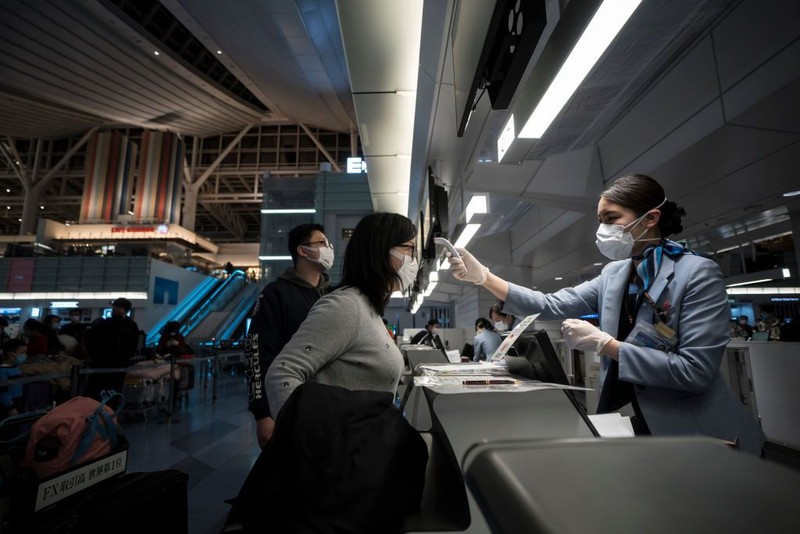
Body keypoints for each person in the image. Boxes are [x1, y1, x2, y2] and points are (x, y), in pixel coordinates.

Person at [447, 173, 764, 455]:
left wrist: (606, 345)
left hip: (699, 435)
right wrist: (484, 277)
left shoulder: (696, 273)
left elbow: (694, 372)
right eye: (600, 220)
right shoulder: (615, 274)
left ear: (650, 218)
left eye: (612, 218)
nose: (603, 229)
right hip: (633, 422)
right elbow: (550, 304)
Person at [254, 212, 426, 532]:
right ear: (381, 250)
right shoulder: (345, 306)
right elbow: (283, 373)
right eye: (409, 249)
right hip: (341, 474)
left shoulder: (370, 308)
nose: (413, 259)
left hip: (362, 465)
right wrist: (316, 451)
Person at [244, 223, 332, 447]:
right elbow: (258, 352)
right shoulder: (275, 294)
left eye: (328, 243)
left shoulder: (333, 296)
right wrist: (263, 414)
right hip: (288, 404)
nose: (329, 248)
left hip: (329, 404)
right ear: (302, 251)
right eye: (321, 243)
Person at [84, 298, 140, 401]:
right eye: (115, 306)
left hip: (117, 363)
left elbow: (133, 344)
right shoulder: (105, 324)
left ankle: (109, 411)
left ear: (125, 309)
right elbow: (92, 341)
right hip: (102, 362)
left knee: (113, 390)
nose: (115, 309)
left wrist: (126, 357)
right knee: (98, 390)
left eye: (119, 307)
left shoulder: (130, 325)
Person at [0, 339, 26, 419]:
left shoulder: (16, 368)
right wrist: (10, 407)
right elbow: (3, 391)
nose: (24, 356)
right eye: (22, 353)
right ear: (11, 355)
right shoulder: (2, 371)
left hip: (18, 401)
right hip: (7, 405)